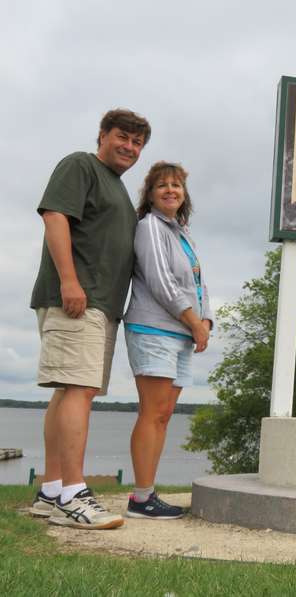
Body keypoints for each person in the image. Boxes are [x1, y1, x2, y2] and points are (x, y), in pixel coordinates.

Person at [29, 109, 151, 529]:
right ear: (103, 135)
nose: (129, 148)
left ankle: (51, 490)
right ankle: (73, 496)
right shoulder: (81, 165)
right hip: (77, 299)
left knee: (70, 392)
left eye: (137, 143)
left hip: (101, 305)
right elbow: (55, 216)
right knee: (77, 389)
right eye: (123, 137)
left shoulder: (117, 188)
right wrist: (69, 281)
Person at [122, 162, 214, 519]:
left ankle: (147, 493)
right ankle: (141, 498)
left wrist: (206, 321)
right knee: (152, 413)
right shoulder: (149, 227)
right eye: (162, 185)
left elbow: (198, 283)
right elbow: (161, 282)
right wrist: (194, 322)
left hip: (181, 333)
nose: (171, 190)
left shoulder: (182, 233)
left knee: (163, 416)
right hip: (153, 330)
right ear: (150, 193)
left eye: (177, 185)